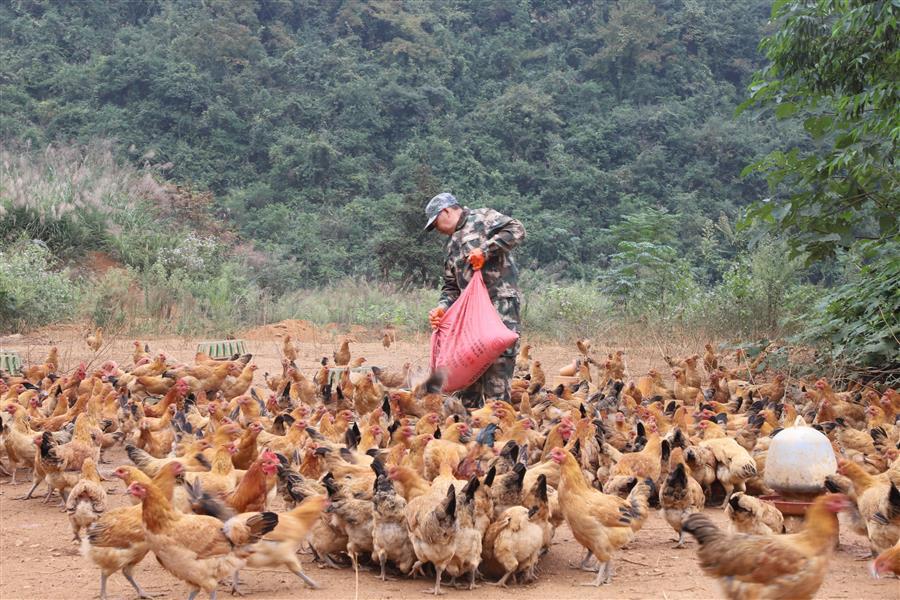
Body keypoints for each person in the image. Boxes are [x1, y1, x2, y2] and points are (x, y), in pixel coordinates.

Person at [424, 192, 525, 408]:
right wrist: (442, 308)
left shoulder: (482, 218)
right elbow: (451, 287)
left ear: (447, 211)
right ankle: (471, 429)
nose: (438, 230)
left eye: (436, 223)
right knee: (470, 371)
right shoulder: (451, 246)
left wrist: (486, 250)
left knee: (498, 368)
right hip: (470, 316)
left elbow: (517, 229)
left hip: (499, 304)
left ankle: (497, 428)